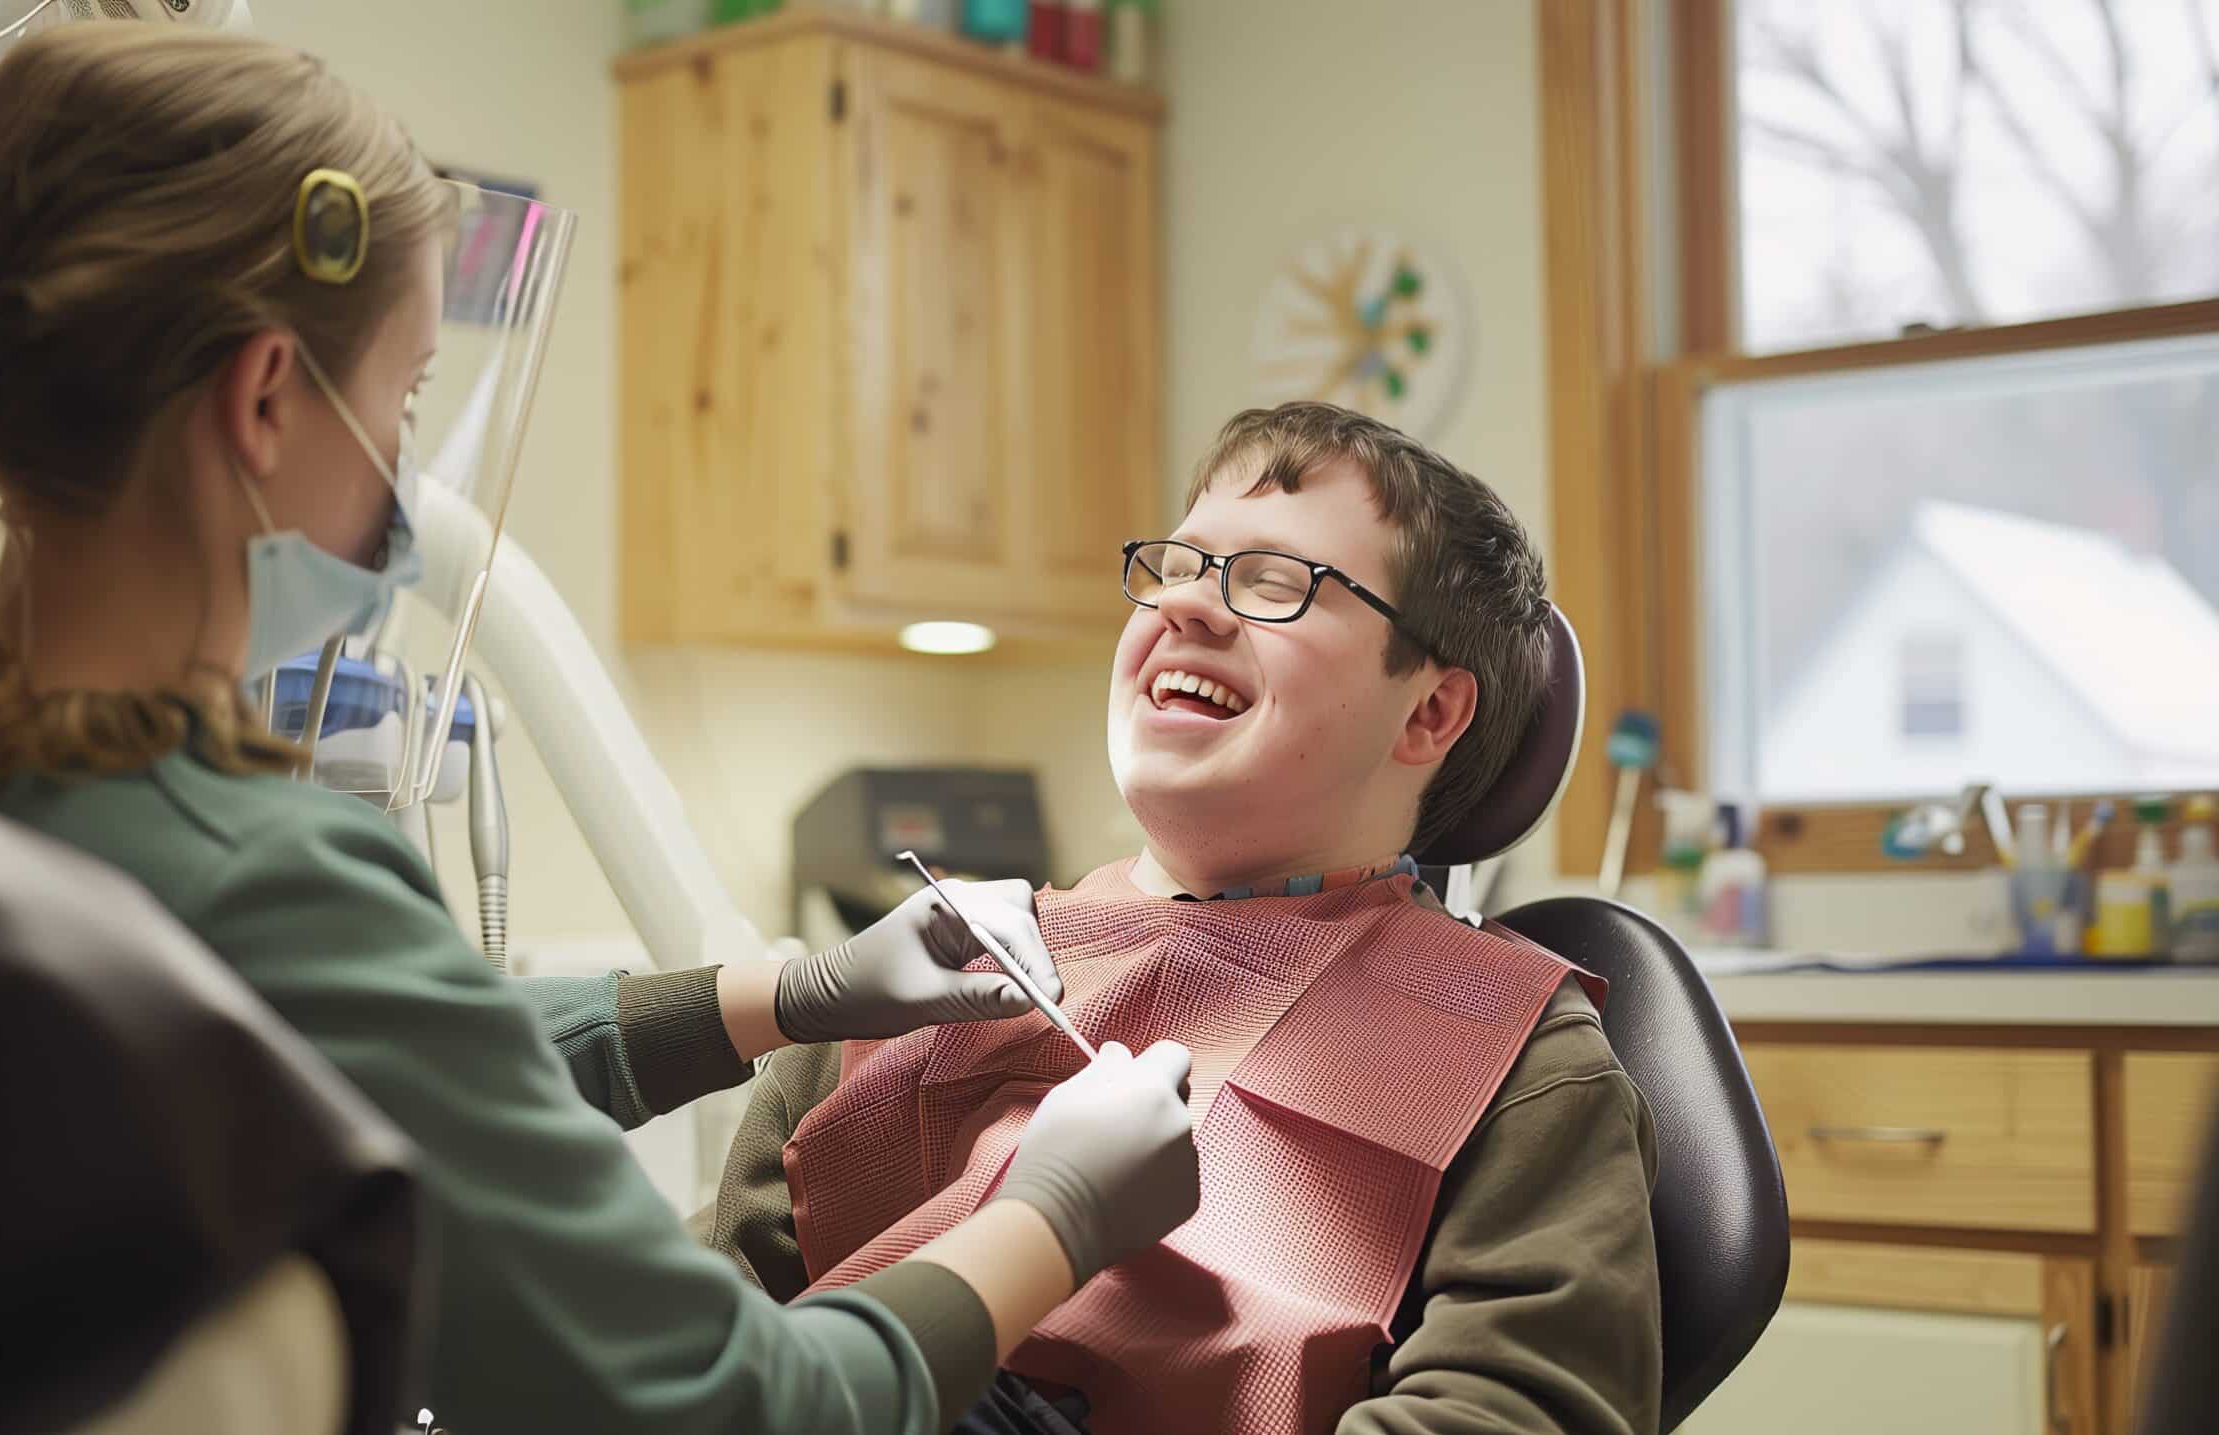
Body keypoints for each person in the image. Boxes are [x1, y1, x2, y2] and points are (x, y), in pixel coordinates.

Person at [0, 24, 1200, 1434]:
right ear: (262, 396)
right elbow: (735, 1406)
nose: (407, 457)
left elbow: (364, 1057)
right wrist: (1051, 1214)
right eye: (405, 390)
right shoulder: (256, 871)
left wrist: (797, 988)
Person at [706, 403, 1662, 1435]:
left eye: (1274, 581)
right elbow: (683, 1340)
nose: (1190, 607)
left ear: (1428, 712)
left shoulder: (1518, 1063)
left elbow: (1511, 1413)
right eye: (1180, 563)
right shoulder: (932, 974)